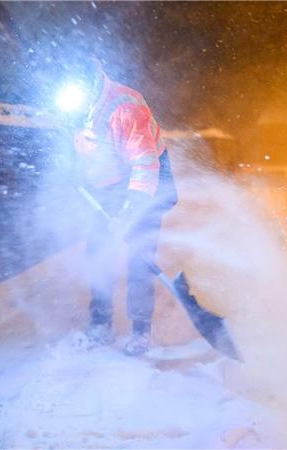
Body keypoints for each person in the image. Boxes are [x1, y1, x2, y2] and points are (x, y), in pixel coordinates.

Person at [73, 60, 177, 356]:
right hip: (112, 182)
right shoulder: (72, 109)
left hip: (149, 179)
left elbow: (145, 163)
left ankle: (141, 330)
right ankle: (101, 323)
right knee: (98, 249)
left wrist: (130, 211)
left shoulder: (124, 107)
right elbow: (79, 149)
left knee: (140, 255)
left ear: (90, 81)